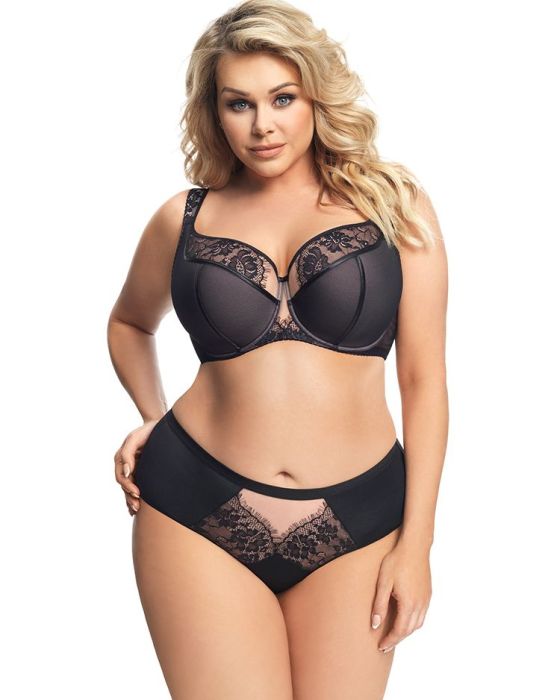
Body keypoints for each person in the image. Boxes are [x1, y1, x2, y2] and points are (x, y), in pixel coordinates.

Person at [107, 0, 449, 697]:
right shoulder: (184, 218)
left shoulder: (395, 205)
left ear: (315, 94)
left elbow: (424, 380)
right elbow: (130, 323)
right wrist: (150, 414)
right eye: (239, 103)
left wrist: (418, 543)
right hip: (194, 507)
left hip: (359, 521)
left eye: (282, 98)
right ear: (215, 112)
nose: (262, 124)